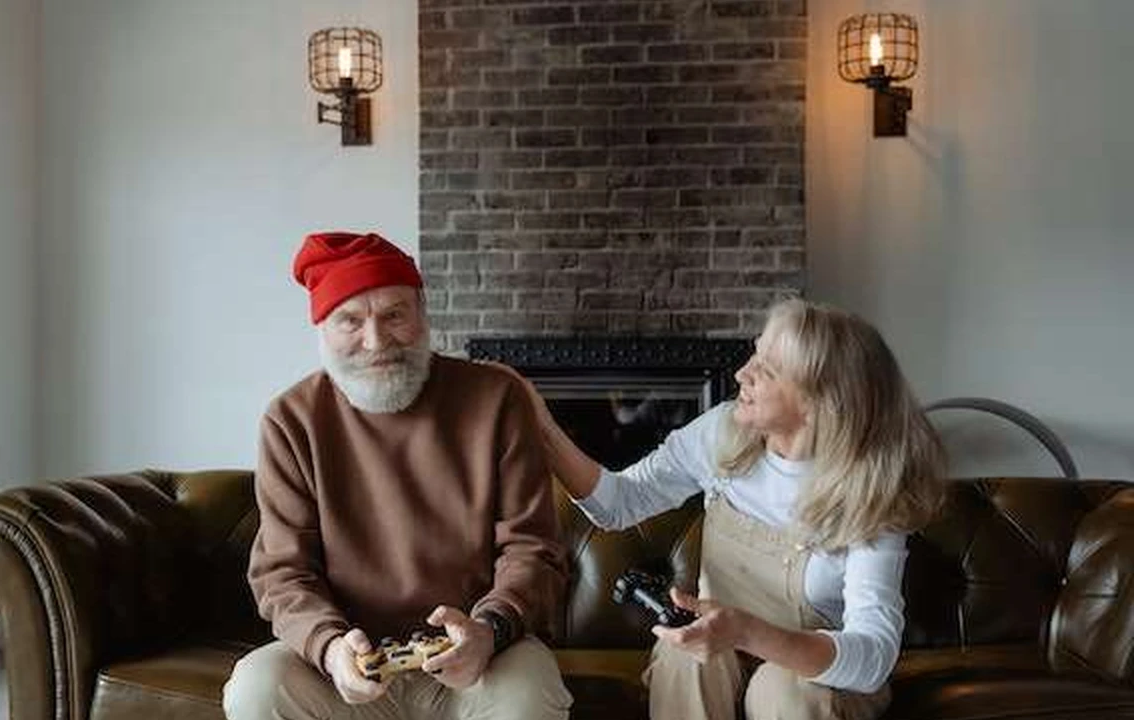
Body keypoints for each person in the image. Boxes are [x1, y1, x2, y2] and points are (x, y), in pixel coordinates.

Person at [512, 298, 945, 720]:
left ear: (819, 404)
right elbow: (619, 504)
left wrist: (747, 631)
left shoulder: (872, 493)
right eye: (753, 355)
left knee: (782, 689)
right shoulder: (721, 432)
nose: (741, 373)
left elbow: (873, 658)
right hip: (720, 657)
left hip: (815, 683)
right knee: (686, 658)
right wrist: (543, 428)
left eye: (766, 370)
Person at [221, 231, 572, 720]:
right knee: (257, 687)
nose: (376, 341)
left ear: (423, 313)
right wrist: (330, 648)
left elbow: (532, 549)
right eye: (350, 320)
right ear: (322, 327)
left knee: (529, 692)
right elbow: (283, 574)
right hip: (349, 667)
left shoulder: (496, 398)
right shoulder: (291, 419)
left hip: (478, 658)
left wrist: (490, 629)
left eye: (394, 315)